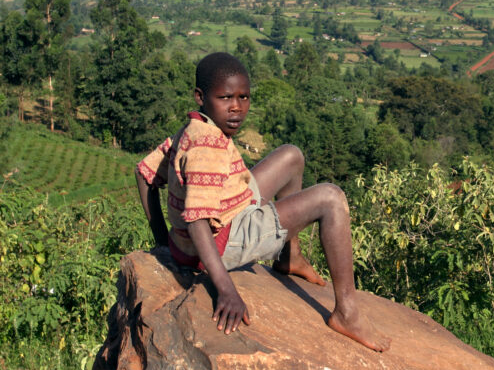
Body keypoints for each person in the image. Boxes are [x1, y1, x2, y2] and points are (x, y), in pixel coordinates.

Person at [134, 52, 390, 352]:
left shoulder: (194, 127)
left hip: (224, 216)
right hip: (221, 242)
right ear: (200, 96)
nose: (236, 107)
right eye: (225, 98)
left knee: (291, 157)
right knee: (331, 198)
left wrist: (167, 243)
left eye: (243, 97)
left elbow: (144, 174)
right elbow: (197, 221)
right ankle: (347, 313)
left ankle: (289, 256)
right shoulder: (206, 146)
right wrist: (225, 288)